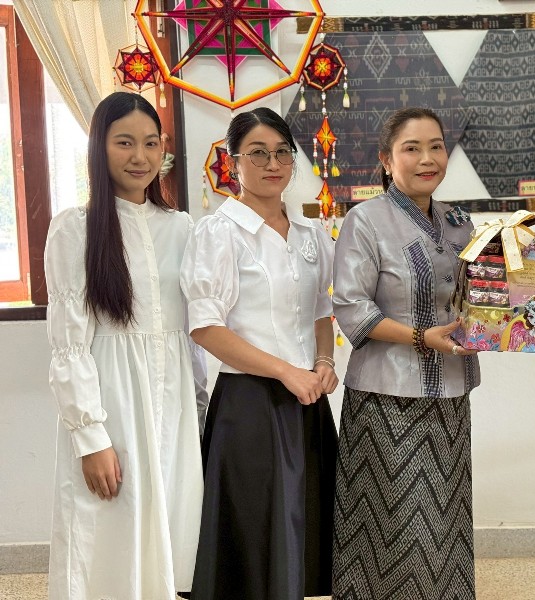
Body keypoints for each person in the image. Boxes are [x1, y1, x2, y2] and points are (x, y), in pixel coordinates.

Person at [45, 91, 206, 599]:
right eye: (124, 142)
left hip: (174, 405)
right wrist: (91, 438)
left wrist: (201, 409)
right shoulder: (75, 229)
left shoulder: (182, 228)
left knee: (170, 539)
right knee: (110, 543)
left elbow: (193, 335)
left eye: (151, 143)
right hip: (112, 406)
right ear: (99, 147)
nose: (140, 156)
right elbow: (69, 346)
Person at [180, 106, 338, 600]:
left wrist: (324, 363)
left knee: (301, 537)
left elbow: (321, 310)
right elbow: (206, 328)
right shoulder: (219, 232)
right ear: (233, 162)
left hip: (307, 400)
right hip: (249, 405)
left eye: (282, 153)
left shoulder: (311, 234)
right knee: (253, 543)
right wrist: (286, 371)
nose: (273, 164)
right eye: (257, 153)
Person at [331, 107, 480, 599]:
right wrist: (420, 337)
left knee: (443, 525)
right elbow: (352, 307)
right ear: (386, 160)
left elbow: (484, 294)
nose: (427, 158)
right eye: (411, 148)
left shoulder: (460, 223)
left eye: (436, 146)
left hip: (450, 397)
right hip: (385, 401)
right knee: (388, 530)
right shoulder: (364, 220)